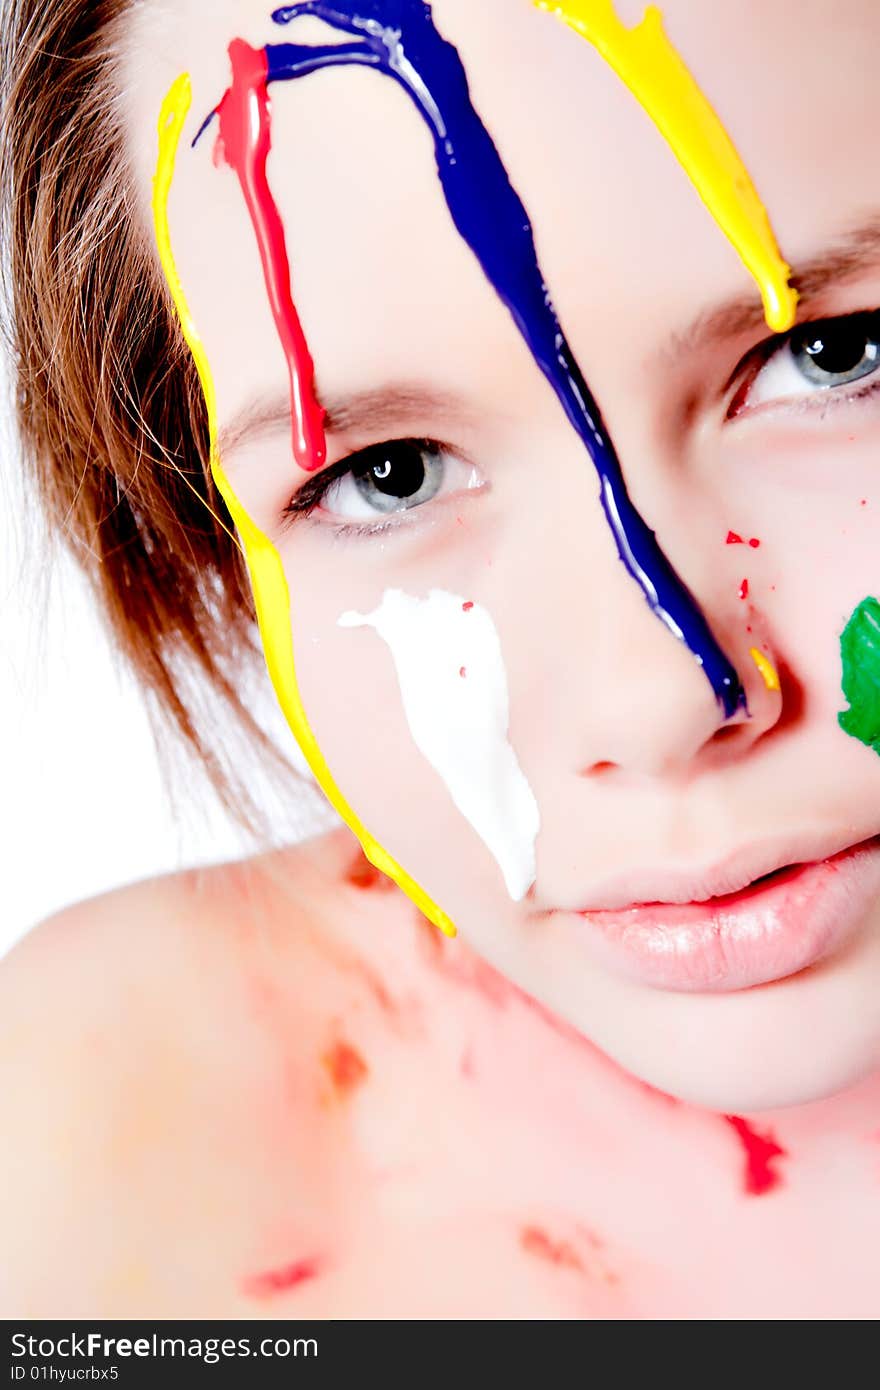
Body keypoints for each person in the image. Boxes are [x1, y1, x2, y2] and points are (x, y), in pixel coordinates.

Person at [2, 0, 880, 1318]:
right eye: (385, 475)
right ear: (207, 554)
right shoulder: (103, 1152)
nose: (661, 694)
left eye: (829, 355)